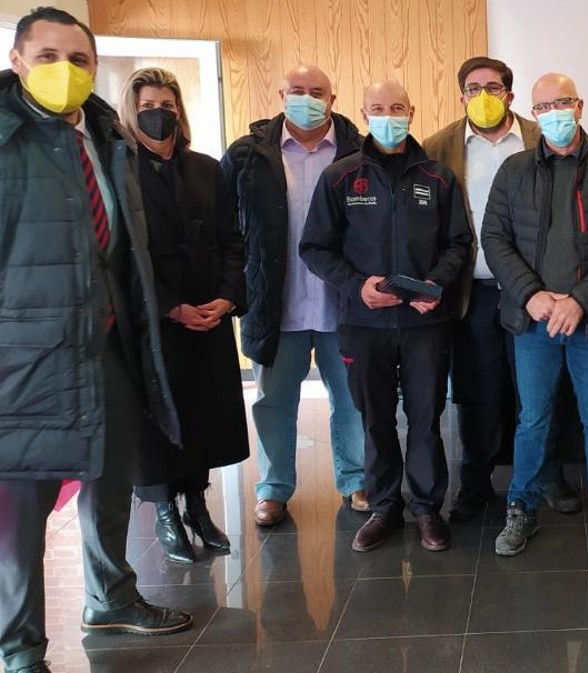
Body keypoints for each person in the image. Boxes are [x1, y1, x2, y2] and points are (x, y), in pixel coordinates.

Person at [0, 9, 193, 672]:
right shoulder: (6, 140)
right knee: (20, 508)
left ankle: (111, 597)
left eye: (79, 59)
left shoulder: (109, 136)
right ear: (18, 61)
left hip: (110, 341)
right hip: (25, 354)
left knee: (110, 476)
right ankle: (18, 647)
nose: (66, 70)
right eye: (48, 56)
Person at [301, 81, 473, 553]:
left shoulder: (438, 177)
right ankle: (383, 506)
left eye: (397, 107)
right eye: (378, 108)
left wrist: (436, 284)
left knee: (426, 418)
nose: (388, 116)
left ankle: (427, 508)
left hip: (424, 323)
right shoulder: (340, 177)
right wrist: (356, 285)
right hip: (363, 322)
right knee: (374, 419)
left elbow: (459, 243)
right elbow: (314, 247)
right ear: (364, 115)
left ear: (411, 112)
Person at [482, 73, 588, 556]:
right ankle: (521, 508)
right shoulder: (513, 170)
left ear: (580, 105)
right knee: (533, 419)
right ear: (533, 113)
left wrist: (580, 301)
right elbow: (494, 239)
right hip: (533, 321)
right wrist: (532, 295)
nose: (554, 113)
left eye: (562, 102)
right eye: (543, 106)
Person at [424, 56, 581, 522]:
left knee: (542, 391)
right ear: (461, 97)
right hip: (472, 291)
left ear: (510, 95)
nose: (483, 96)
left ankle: (549, 475)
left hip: (535, 292)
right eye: (473, 89)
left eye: (492, 88)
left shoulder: (540, 136)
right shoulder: (438, 147)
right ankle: (475, 480)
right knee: (476, 390)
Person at [221, 64, 367, 527]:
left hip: (342, 303)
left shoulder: (360, 153)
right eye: (297, 90)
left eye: (317, 91)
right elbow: (225, 228)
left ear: (333, 99)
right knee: (273, 401)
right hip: (275, 301)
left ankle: (357, 479)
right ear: (281, 95)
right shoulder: (247, 155)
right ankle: (273, 488)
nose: (307, 98)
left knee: (352, 398)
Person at [118, 67, 250, 564]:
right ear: (132, 111)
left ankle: (197, 504)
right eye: (149, 106)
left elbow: (233, 240)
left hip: (209, 310)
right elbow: (124, 252)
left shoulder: (206, 168)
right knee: (158, 415)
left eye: (168, 106)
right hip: (155, 316)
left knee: (204, 411)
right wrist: (170, 305)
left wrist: (228, 297)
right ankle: (164, 512)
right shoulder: (122, 169)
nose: (160, 114)